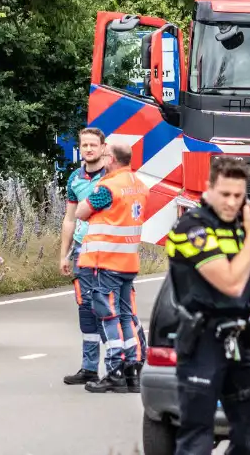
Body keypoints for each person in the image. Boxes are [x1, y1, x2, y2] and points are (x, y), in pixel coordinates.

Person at [165, 156, 250, 455]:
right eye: (225, 194)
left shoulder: (236, 227)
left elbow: (236, 284)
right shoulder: (191, 228)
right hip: (203, 340)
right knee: (197, 435)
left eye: (239, 195)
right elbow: (230, 283)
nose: (232, 202)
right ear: (208, 189)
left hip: (240, 339)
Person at [74, 141, 149, 393]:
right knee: (127, 317)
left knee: (108, 316)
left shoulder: (108, 187)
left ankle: (114, 369)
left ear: (112, 160)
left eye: (106, 155)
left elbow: (81, 212)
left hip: (105, 261)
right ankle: (132, 372)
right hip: (128, 262)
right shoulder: (139, 185)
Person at [58, 127, 109, 385]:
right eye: (84, 145)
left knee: (110, 307)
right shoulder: (74, 179)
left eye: (93, 145)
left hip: (108, 249)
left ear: (103, 148)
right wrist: (64, 254)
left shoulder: (111, 178)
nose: (88, 149)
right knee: (86, 307)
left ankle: (118, 366)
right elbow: (69, 219)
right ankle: (89, 367)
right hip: (81, 248)